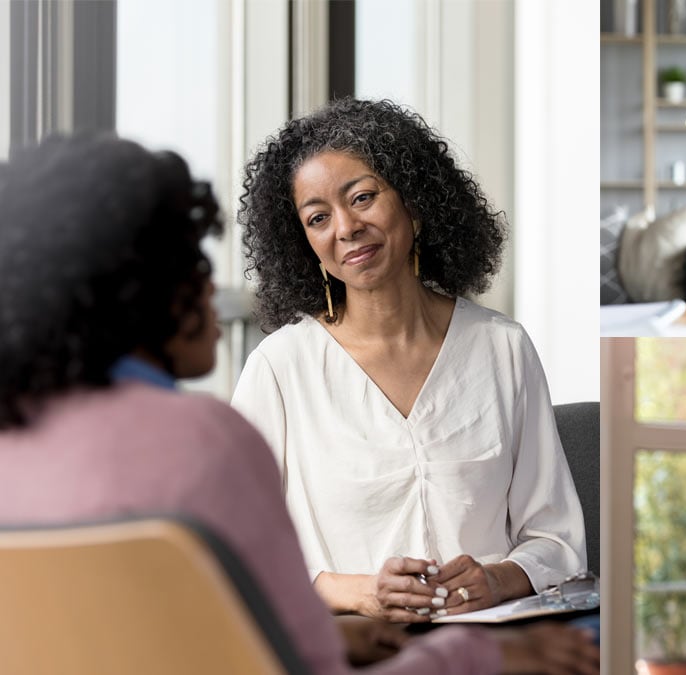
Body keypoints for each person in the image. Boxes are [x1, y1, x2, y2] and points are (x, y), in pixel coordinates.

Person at [0, 134, 599, 675]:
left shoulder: (14, 454)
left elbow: (236, 628)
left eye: (363, 197)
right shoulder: (213, 431)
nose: (213, 287)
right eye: (193, 265)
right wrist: (483, 655)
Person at [232, 98, 586, 623]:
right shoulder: (280, 369)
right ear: (303, 242)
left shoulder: (502, 348)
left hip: (493, 647)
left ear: (415, 204)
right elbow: (238, 553)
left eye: (364, 197)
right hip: (356, 651)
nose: (347, 227)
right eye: (318, 217)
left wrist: (498, 578)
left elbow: (555, 539)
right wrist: (358, 592)